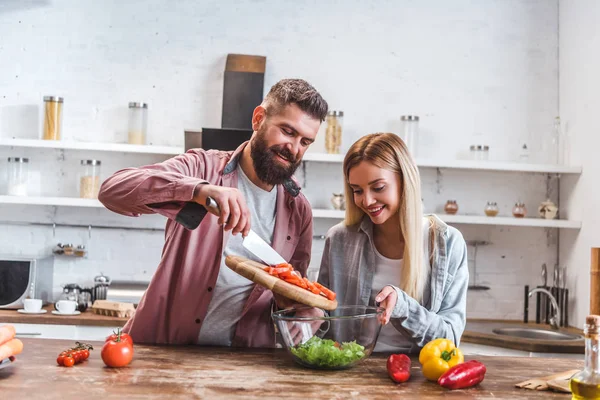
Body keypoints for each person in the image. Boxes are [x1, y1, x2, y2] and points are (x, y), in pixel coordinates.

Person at [98, 79, 328, 346]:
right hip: (165, 350)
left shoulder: (298, 210)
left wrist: (305, 310)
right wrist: (198, 191)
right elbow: (112, 190)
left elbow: (290, 297)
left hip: (244, 364)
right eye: (287, 131)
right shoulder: (201, 168)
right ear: (258, 118)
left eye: (305, 142)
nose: (294, 149)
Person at [317, 133, 468, 353]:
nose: (366, 201)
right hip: (351, 374)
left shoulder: (448, 244)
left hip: (416, 377)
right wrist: (308, 314)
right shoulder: (339, 240)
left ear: (405, 181)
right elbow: (324, 321)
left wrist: (403, 308)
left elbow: (449, 341)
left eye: (378, 188)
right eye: (357, 191)